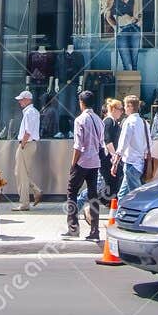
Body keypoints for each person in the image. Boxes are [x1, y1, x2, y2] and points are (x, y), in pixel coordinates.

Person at [64, 90, 103, 242]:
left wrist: (73, 163)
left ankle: (73, 227)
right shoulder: (99, 120)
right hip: (95, 161)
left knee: (72, 191)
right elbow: (101, 142)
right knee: (93, 196)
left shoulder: (80, 120)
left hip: (82, 161)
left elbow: (78, 145)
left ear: (81, 102)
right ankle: (95, 230)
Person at [115, 94, 152, 204]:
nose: (124, 109)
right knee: (122, 195)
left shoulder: (129, 121)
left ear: (130, 106)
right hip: (139, 163)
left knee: (138, 197)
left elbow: (123, 143)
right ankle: (120, 217)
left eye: (125, 106)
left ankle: (144, 216)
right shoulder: (144, 122)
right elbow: (149, 143)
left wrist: (116, 161)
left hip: (131, 163)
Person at [13, 89, 42, 210]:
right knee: (21, 173)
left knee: (21, 174)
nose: (20, 102)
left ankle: (24, 203)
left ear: (28, 100)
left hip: (26, 144)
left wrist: (23, 144)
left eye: (22, 99)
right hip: (30, 144)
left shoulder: (29, 112)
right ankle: (36, 190)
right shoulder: (34, 111)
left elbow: (27, 131)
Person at [101, 97, 124, 199]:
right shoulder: (109, 121)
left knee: (112, 183)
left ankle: (111, 204)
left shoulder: (113, 122)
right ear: (113, 109)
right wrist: (114, 155)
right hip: (107, 158)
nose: (122, 112)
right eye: (120, 109)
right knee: (109, 183)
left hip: (111, 157)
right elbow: (107, 140)